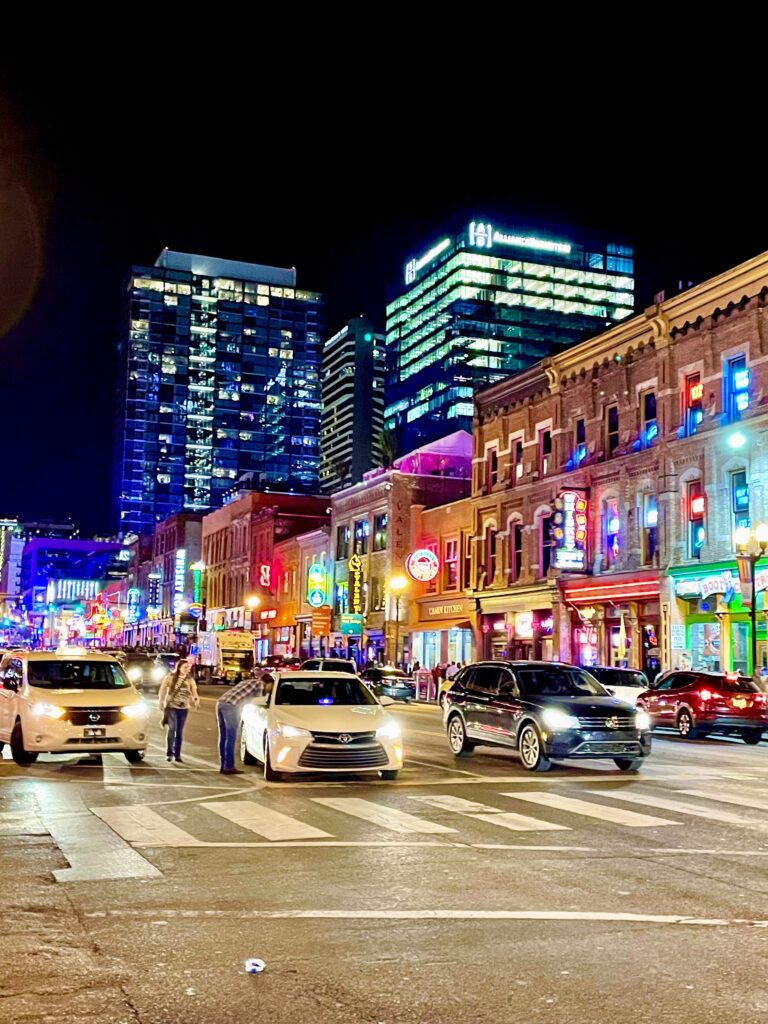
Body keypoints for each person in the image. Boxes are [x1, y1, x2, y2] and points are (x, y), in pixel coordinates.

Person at [216, 671, 275, 774]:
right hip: (231, 706)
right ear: (268, 682)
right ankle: (228, 767)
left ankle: (223, 765)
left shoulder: (248, 682)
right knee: (231, 737)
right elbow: (257, 702)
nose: (271, 690)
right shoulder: (260, 685)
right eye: (272, 686)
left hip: (221, 703)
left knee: (224, 736)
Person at [158, 656, 199, 763]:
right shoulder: (170, 677)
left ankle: (177, 754)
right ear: (179, 667)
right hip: (172, 707)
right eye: (185, 667)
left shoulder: (190, 679)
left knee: (179, 732)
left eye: (188, 668)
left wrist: (196, 700)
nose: (187, 669)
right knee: (172, 729)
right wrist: (161, 701)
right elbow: (162, 689)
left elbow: (194, 692)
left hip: (184, 708)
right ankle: (169, 753)